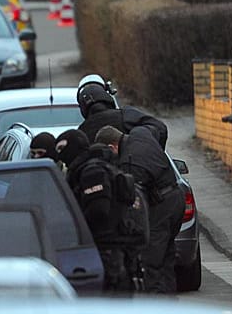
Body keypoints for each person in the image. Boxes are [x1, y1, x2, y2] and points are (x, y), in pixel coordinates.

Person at [95, 124, 184, 294]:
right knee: (167, 256)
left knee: (152, 263)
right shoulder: (141, 133)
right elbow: (159, 129)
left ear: (112, 146)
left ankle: (157, 305)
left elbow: (135, 202)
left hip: (162, 207)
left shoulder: (130, 164)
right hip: (176, 198)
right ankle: (170, 301)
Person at [55, 129, 145, 296]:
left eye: (63, 150)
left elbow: (98, 211)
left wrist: (76, 230)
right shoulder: (89, 169)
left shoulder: (92, 172)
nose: (62, 157)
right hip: (112, 251)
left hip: (106, 251)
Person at [76, 76, 168, 150]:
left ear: (82, 107)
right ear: (106, 97)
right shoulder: (126, 116)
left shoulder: (81, 134)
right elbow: (160, 129)